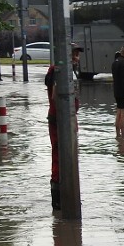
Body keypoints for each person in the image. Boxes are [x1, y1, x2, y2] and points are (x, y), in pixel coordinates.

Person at [45, 52, 81, 211]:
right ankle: (60, 200)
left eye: (78, 55)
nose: (76, 58)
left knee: (64, 156)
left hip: (65, 119)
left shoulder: (65, 71)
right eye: (73, 55)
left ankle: (62, 200)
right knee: (60, 156)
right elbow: (54, 95)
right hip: (61, 120)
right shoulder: (59, 71)